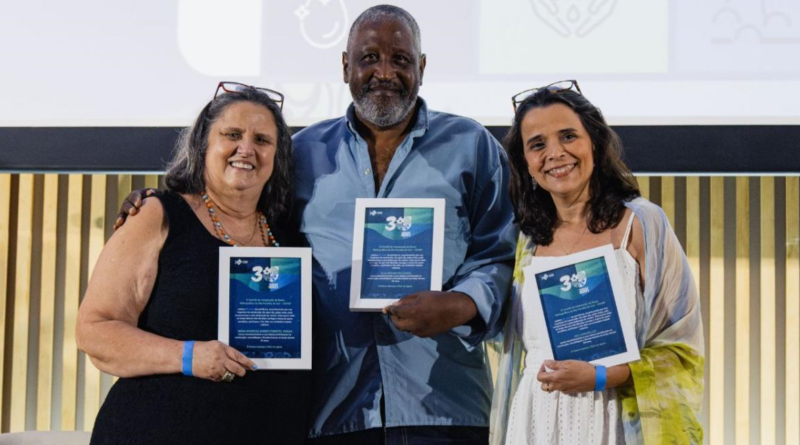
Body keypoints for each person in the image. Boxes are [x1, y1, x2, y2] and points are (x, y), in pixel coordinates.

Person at [117, 6, 516, 443]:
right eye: (369, 58)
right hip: (335, 408)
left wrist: (460, 305)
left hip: (445, 404)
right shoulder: (302, 153)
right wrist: (164, 200)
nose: (385, 72)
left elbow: (499, 255)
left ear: (421, 67)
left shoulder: (471, 146)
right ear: (345, 66)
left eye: (400, 59)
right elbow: (239, 214)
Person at [77, 83, 311, 445]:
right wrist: (189, 356)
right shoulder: (157, 215)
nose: (246, 148)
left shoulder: (290, 240)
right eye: (232, 134)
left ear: (277, 157)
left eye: (262, 140)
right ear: (203, 145)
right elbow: (94, 330)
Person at [489, 81, 704, 445]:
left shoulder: (641, 223)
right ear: (525, 162)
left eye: (568, 136)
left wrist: (601, 376)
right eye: (537, 144)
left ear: (595, 142)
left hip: (617, 418)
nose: (555, 153)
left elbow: (682, 350)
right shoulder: (524, 239)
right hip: (536, 419)